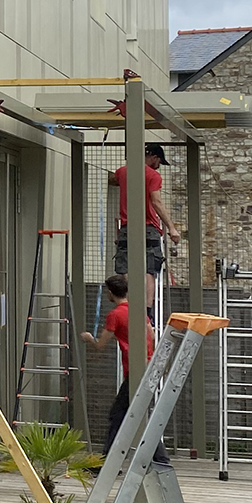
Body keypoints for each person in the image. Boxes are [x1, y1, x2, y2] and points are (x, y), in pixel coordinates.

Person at [82, 274, 167, 464]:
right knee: (136, 412)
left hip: (135, 370)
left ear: (111, 293)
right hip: (149, 366)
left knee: (119, 415)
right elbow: (152, 336)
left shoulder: (115, 315)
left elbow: (101, 345)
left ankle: (109, 462)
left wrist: (89, 338)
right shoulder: (138, 310)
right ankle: (159, 458)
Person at [112, 142, 181, 314]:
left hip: (127, 227)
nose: (159, 166)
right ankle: (147, 310)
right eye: (159, 161)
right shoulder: (153, 176)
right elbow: (156, 201)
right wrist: (171, 228)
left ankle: (127, 305)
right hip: (148, 226)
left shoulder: (123, 172)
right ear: (154, 157)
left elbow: (113, 180)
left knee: (125, 267)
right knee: (149, 269)